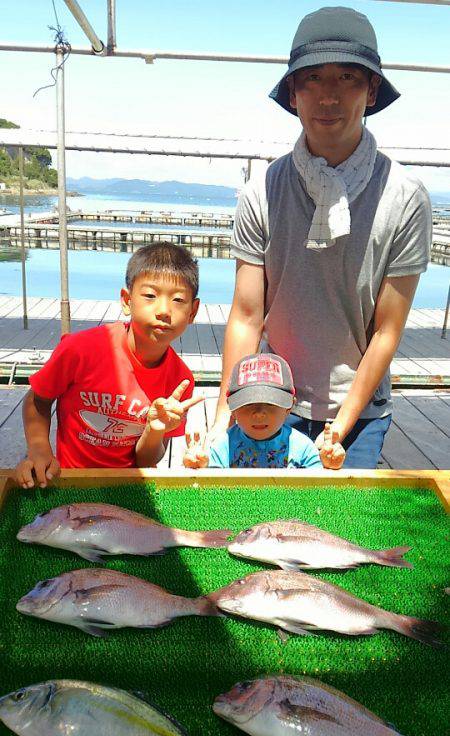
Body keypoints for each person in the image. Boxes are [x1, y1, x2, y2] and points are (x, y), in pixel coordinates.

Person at [211, 6, 432, 469]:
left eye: (348, 76)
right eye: (311, 78)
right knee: (256, 528)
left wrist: (342, 425)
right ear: (293, 93)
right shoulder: (262, 191)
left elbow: (386, 331)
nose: (328, 96)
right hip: (266, 398)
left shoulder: (405, 197)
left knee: (338, 532)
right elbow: (247, 316)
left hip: (359, 412)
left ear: (371, 91)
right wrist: (223, 415)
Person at [15, 243, 203, 488]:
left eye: (178, 300)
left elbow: (146, 459)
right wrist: (39, 449)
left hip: (130, 485)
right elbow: (38, 399)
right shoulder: (80, 349)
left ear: (193, 311)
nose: (164, 310)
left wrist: (155, 429)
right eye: (150, 296)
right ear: (127, 300)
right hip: (71, 478)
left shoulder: (180, 380)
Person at [184, 353, 345, 469]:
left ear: (289, 406)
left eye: (270, 404)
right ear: (232, 408)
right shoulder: (222, 446)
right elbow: (209, 492)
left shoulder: (303, 447)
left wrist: (330, 466)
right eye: (248, 404)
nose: (259, 413)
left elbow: (319, 491)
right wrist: (199, 466)